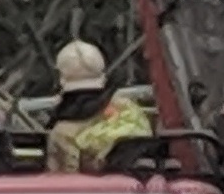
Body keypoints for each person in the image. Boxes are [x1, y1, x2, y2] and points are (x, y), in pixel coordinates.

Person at [39, 41, 156, 174]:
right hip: (141, 181)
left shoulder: (61, 133)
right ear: (102, 75)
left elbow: (64, 181)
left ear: (61, 79)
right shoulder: (130, 109)